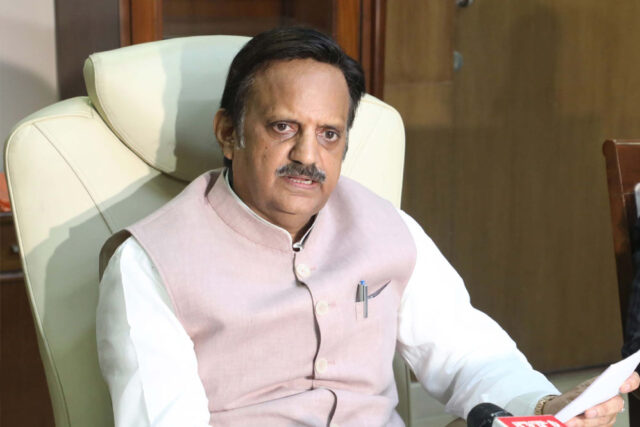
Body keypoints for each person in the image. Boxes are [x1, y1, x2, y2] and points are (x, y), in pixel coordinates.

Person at [97, 27, 638, 426]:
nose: (307, 155)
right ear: (227, 132)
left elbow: (465, 351)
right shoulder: (149, 264)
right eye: (283, 127)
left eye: (329, 134)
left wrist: (545, 404)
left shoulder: (385, 226)